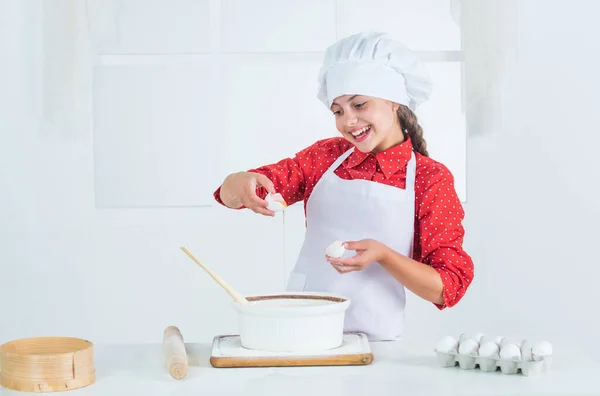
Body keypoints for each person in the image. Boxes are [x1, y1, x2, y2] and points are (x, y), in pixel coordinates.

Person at [213, 32, 474, 341]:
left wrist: (383, 255)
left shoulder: (430, 179)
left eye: (359, 105)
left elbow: (447, 288)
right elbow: (231, 194)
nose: (348, 121)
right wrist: (240, 182)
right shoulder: (326, 156)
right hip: (300, 332)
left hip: (375, 346)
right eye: (338, 111)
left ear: (394, 102)